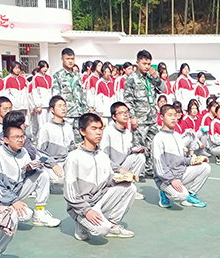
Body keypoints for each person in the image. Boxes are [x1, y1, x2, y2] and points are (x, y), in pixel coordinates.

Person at [64, 113, 137, 241]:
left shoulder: (102, 156)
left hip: (99, 199)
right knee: (102, 230)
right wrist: (86, 211)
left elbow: (108, 181)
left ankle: (112, 225)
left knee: (130, 188)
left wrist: (121, 178)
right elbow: (69, 194)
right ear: (82, 131)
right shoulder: (74, 157)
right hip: (81, 206)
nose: (99, 132)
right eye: (94, 128)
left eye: (100, 129)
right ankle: (81, 223)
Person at [0, 124, 61, 228]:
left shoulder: (23, 151)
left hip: (17, 189)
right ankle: (0, 212)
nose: (20, 140)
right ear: (6, 140)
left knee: (42, 174)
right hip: (1, 197)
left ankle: (40, 212)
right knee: (26, 215)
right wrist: (14, 201)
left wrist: (30, 169)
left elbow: (25, 174)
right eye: (16, 137)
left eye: (22, 137)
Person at [153, 104, 210, 208]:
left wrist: (194, 160)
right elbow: (159, 166)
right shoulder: (158, 138)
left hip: (180, 174)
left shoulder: (177, 136)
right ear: (161, 117)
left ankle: (191, 193)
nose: (173, 118)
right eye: (170, 115)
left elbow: (181, 159)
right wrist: (171, 180)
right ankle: (164, 192)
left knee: (205, 167)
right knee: (182, 195)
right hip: (165, 179)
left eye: (175, 115)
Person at [123, 50, 163, 175]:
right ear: (137, 63)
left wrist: (157, 78)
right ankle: (138, 171)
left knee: (152, 144)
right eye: (144, 63)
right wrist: (132, 117)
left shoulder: (151, 78)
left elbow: (163, 89)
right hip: (139, 118)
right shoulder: (131, 79)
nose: (147, 66)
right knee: (139, 145)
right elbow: (128, 100)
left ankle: (149, 168)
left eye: (149, 64)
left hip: (151, 117)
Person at [101, 102, 147, 201]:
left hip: (123, 167)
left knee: (141, 157)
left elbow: (128, 152)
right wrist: (119, 169)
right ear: (114, 116)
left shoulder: (128, 132)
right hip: (111, 170)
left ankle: (129, 189)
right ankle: (115, 188)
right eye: (121, 113)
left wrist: (136, 151)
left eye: (127, 112)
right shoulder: (108, 132)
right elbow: (103, 158)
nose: (125, 115)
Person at [36, 96, 76, 185]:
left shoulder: (68, 127)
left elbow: (72, 148)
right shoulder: (45, 128)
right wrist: (53, 164)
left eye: (64, 106)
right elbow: (40, 153)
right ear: (52, 110)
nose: (63, 108)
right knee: (61, 180)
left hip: (66, 161)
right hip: (51, 163)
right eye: (60, 106)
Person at [52, 48, 86, 133]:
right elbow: (56, 97)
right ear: (62, 59)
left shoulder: (78, 75)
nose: (70, 61)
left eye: (72, 59)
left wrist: (85, 111)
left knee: (79, 141)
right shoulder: (58, 76)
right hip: (66, 115)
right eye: (67, 59)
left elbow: (83, 94)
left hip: (79, 114)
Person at [30, 60, 53, 135]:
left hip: (49, 105)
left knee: (50, 123)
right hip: (42, 106)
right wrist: (38, 105)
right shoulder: (36, 78)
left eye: (46, 67)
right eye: (43, 67)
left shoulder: (49, 78)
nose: (45, 69)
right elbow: (35, 92)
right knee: (42, 125)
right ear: (39, 67)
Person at [4, 61, 30, 126]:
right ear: (11, 68)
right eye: (15, 68)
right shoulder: (8, 79)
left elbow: (27, 92)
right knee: (15, 123)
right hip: (14, 106)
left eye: (19, 68)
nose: (17, 70)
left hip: (23, 106)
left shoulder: (22, 79)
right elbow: (6, 94)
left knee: (23, 123)